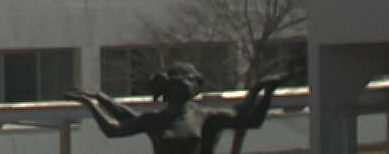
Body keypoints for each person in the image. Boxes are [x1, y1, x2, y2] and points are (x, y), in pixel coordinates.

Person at [67, 64, 294, 154]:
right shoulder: (155, 120)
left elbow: (249, 118)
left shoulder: (204, 116)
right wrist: (94, 102)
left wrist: (264, 91)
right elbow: (115, 127)